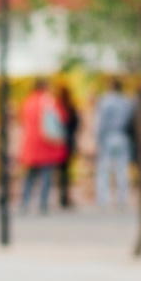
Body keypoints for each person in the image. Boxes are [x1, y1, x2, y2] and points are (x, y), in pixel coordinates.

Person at [18, 77, 64, 214]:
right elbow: (60, 118)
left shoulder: (28, 101)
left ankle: (24, 203)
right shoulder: (48, 101)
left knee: (30, 176)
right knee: (46, 176)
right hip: (46, 143)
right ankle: (42, 204)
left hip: (31, 143)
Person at [94, 79, 135, 209]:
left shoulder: (106, 101)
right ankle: (122, 198)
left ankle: (103, 199)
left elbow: (101, 123)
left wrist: (98, 138)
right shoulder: (126, 102)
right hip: (122, 136)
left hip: (108, 137)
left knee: (104, 170)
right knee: (121, 169)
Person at [55, 80, 82, 211]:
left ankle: (62, 196)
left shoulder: (57, 107)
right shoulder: (71, 107)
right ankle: (64, 197)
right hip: (68, 143)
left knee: (59, 172)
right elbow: (76, 125)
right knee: (65, 173)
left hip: (58, 143)